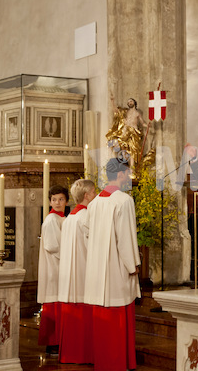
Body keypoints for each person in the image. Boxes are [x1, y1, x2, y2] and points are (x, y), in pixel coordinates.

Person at [84, 158, 141, 371]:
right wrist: (132, 265)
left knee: (103, 315)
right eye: (128, 173)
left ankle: (105, 362)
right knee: (117, 313)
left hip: (98, 267)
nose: (130, 177)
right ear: (120, 174)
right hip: (116, 267)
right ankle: (119, 363)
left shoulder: (96, 201)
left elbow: (88, 233)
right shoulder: (124, 200)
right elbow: (125, 238)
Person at [57, 179, 96, 364]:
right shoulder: (86, 216)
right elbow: (93, 246)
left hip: (68, 273)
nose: (96, 195)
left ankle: (70, 353)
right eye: (94, 192)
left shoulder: (69, 218)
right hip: (83, 270)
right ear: (87, 195)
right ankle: (85, 354)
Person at [37, 185, 68, 355]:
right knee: (53, 306)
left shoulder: (62, 218)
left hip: (59, 268)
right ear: (50, 201)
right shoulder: (51, 220)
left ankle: (59, 341)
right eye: (54, 199)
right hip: (53, 269)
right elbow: (52, 246)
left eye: (61, 199)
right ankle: (53, 343)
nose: (57, 202)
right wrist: (70, 258)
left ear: (66, 201)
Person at [106, 95, 154, 171]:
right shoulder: (125, 111)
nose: (129, 103)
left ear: (134, 103)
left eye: (131, 101)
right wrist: (112, 102)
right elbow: (116, 111)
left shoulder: (137, 113)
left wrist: (148, 125)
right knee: (122, 147)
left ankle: (132, 168)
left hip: (134, 132)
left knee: (133, 150)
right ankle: (124, 164)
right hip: (125, 132)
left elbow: (142, 123)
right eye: (128, 102)